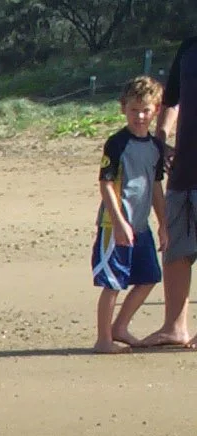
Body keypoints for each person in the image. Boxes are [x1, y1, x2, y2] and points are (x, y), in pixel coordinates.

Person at [93, 77, 168, 352]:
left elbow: (156, 186)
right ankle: (103, 339)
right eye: (134, 109)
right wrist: (120, 222)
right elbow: (106, 184)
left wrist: (163, 224)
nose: (140, 116)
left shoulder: (155, 147)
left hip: (141, 225)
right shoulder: (116, 143)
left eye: (145, 110)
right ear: (123, 108)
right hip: (115, 225)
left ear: (156, 110)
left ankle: (120, 327)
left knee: (149, 277)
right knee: (113, 283)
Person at [146, 34, 197, 347]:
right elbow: (172, 98)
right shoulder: (190, 47)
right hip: (186, 168)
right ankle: (174, 328)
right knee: (177, 250)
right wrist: (161, 134)